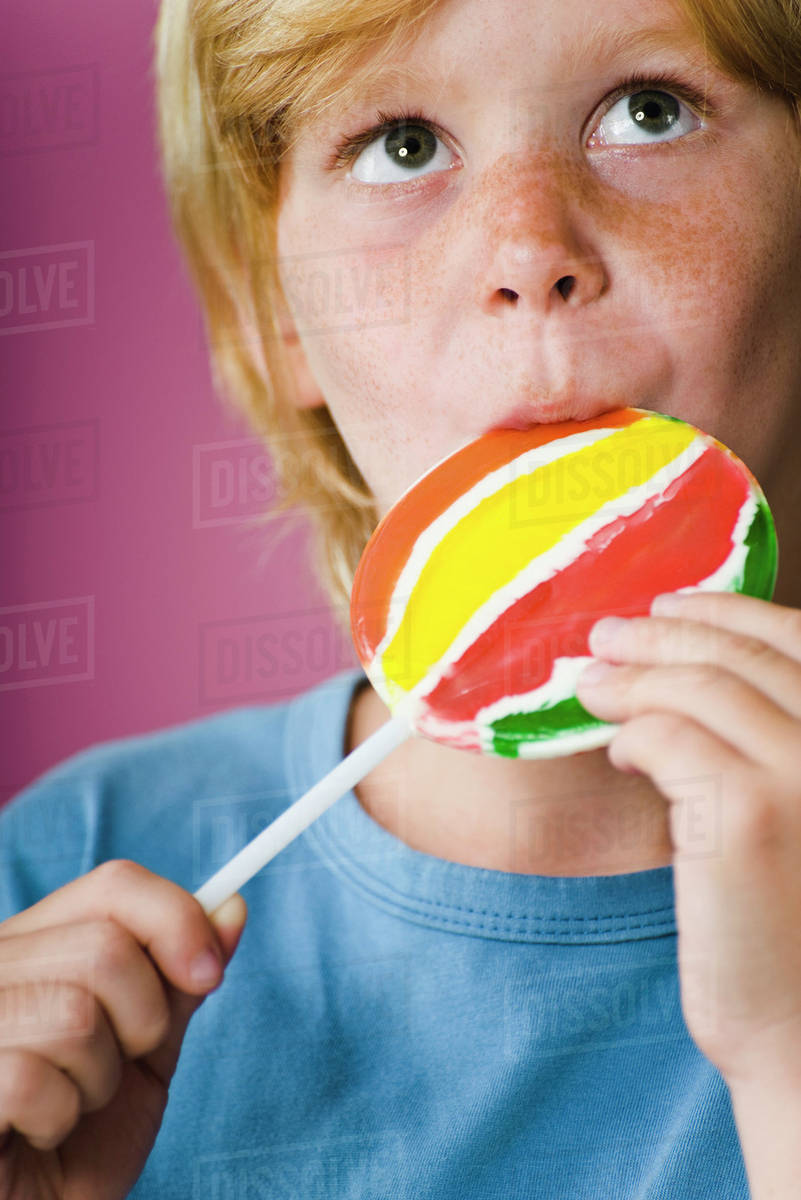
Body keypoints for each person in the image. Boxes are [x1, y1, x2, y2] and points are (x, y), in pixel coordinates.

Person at [2, 0, 801, 1193]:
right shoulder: (62, 869)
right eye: (403, 145)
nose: (529, 249)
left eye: (650, 112)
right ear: (272, 314)